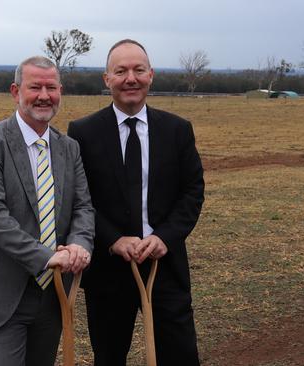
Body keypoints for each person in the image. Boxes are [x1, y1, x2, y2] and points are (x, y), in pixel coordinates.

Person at [0, 56, 95, 366]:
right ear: (16, 92)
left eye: (51, 87)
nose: (44, 95)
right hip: (0, 289)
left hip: (52, 292)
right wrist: (46, 256)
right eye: (35, 87)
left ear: (60, 92)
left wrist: (81, 243)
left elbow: (83, 206)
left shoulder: (69, 148)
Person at [67, 39, 205, 365]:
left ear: (151, 75)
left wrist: (164, 237)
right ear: (107, 80)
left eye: (138, 70)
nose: (131, 78)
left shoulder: (177, 130)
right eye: (121, 71)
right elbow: (78, 197)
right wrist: (113, 239)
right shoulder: (83, 132)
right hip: (109, 270)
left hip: (164, 265)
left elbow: (192, 192)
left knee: (180, 355)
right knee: (110, 356)